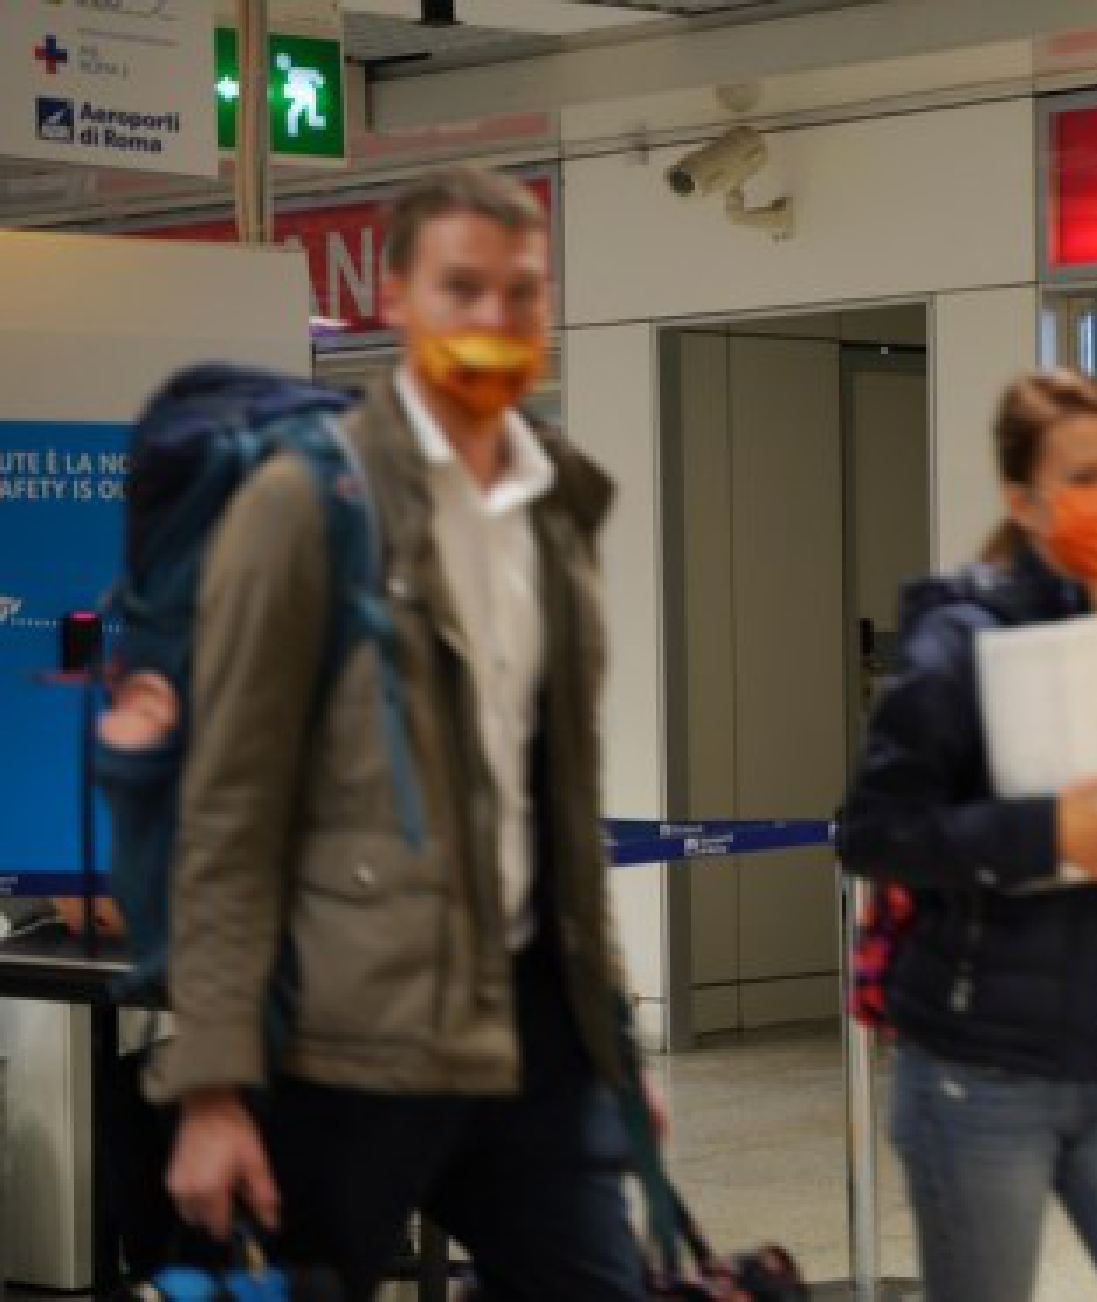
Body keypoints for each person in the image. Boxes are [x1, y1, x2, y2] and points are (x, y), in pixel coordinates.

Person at [157, 167, 664, 1299]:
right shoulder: (302, 507)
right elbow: (228, 807)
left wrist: (613, 1052)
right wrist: (211, 1088)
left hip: (533, 1031)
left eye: (522, 294)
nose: (495, 321)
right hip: (348, 1039)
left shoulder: (558, 510)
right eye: (463, 288)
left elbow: (561, 813)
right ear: (396, 297)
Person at [837, 369, 1097, 1302]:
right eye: (1086, 477)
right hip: (980, 1075)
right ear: (1024, 497)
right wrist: (1048, 833)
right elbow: (874, 832)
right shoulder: (957, 641)